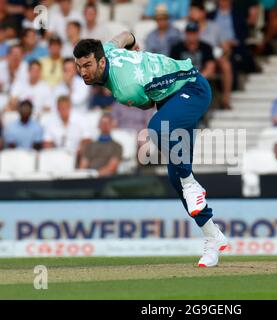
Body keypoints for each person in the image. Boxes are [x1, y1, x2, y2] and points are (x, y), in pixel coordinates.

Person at [73, 31, 227, 267]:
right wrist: (134, 46)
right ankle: (212, 237)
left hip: (193, 88)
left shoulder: (125, 88)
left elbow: (146, 104)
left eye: (88, 65)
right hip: (172, 100)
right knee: (175, 178)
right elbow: (125, 35)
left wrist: (136, 61)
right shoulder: (109, 49)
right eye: (79, 66)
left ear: (102, 61)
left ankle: (191, 183)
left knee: (157, 127)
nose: (83, 72)